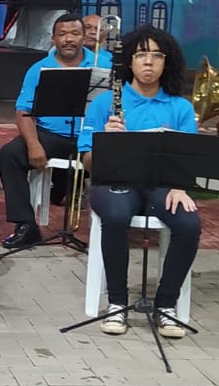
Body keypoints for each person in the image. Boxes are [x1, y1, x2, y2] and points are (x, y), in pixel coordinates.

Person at [78, 25, 201, 338]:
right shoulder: (104, 104)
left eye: (157, 56)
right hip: (115, 181)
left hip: (163, 185)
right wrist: (106, 142)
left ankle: (166, 305)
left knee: (189, 223)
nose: (149, 62)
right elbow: (87, 162)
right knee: (116, 215)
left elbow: (189, 159)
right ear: (129, 62)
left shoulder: (180, 107)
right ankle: (117, 303)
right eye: (141, 55)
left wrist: (180, 186)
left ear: (167, 62)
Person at [0, 14, 96, 250]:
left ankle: (110, 229)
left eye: (75, 33)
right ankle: (26, 225)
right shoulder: (38, 69)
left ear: (84, 37)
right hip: (50, 135)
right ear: (53, 39)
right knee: (8, 155)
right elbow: (23, 111)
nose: (68, 39)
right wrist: (33, 144)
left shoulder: (102, 65)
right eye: (62, 34)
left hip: (90, 136)